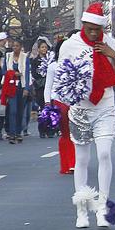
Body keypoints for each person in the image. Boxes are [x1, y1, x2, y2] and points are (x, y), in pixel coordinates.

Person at [56, 3, 115, 228]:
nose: (95, 33)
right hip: (80, 109)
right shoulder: (70, 45)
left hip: (105, 106)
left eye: (98, 29)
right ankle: (81, 210)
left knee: (105, 154)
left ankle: (103, 208)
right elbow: (62, 77)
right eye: (90, 28)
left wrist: (113, 56)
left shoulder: (110, 43)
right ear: (83, 25)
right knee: (82, 159)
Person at [44, 38, 75, 175]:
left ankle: (75, 163)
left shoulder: (76, 65)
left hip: (75, 102)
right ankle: (66, 165)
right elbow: (48, 86)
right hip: (59, 102)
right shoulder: (53, 66)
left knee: (75, 134)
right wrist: (47, 104)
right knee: (65, 133)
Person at [3, 39, 30, 143]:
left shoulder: (25, 57)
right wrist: (12, 73)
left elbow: (27, 73)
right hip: (11, 85)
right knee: (12, 110)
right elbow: (4, 71)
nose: (15, 48)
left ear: (21, 47)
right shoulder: (8, 56)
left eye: (17, 46)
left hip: (21, 86)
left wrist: (27, 88)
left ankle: (18, 132)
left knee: (20, 111)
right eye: (13, 46)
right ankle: (12, 133)